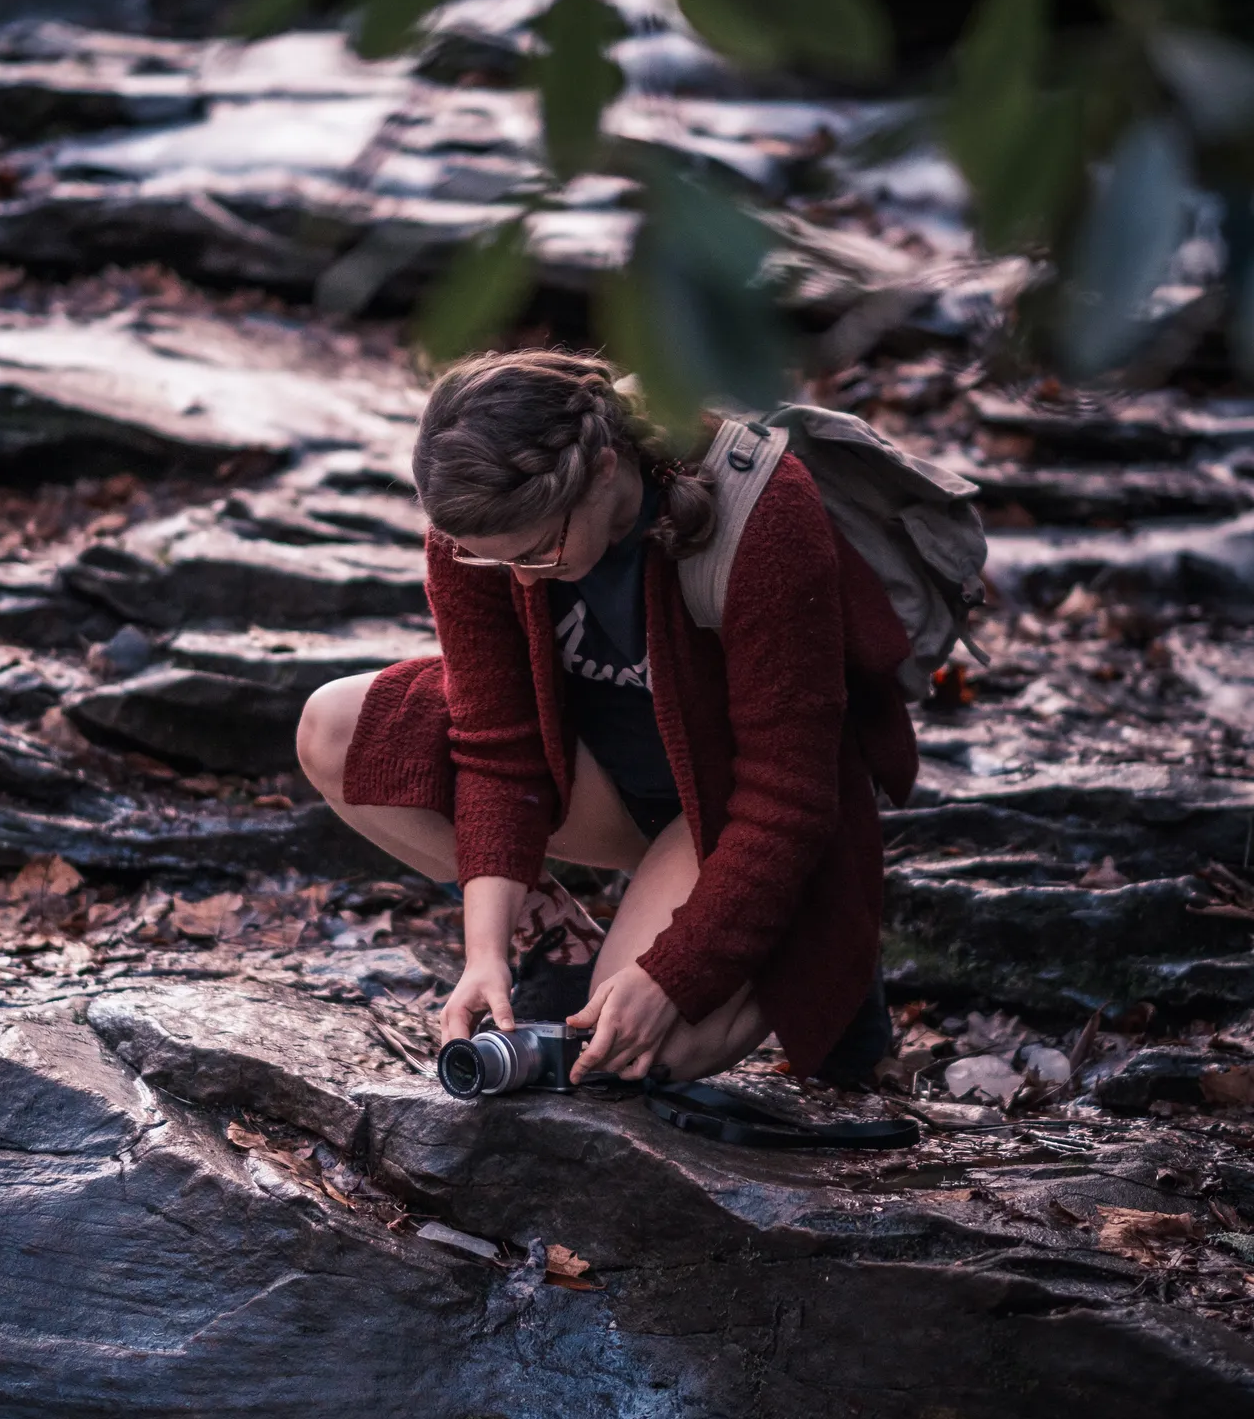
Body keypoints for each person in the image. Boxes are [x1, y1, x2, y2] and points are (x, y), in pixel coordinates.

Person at [297, 349, 918, 1088]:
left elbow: (787, 801)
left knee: (641, 1051)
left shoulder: (766, 510)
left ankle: (828, 948)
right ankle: (555, 946)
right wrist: (485, 951)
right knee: (333, 727)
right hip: (600, 778)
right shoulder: (482, 533)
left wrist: (672, 977)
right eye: (497, 563)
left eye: (539, 553)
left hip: (732, 804)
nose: (522, 579)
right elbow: (499, 748)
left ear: (602, 473)